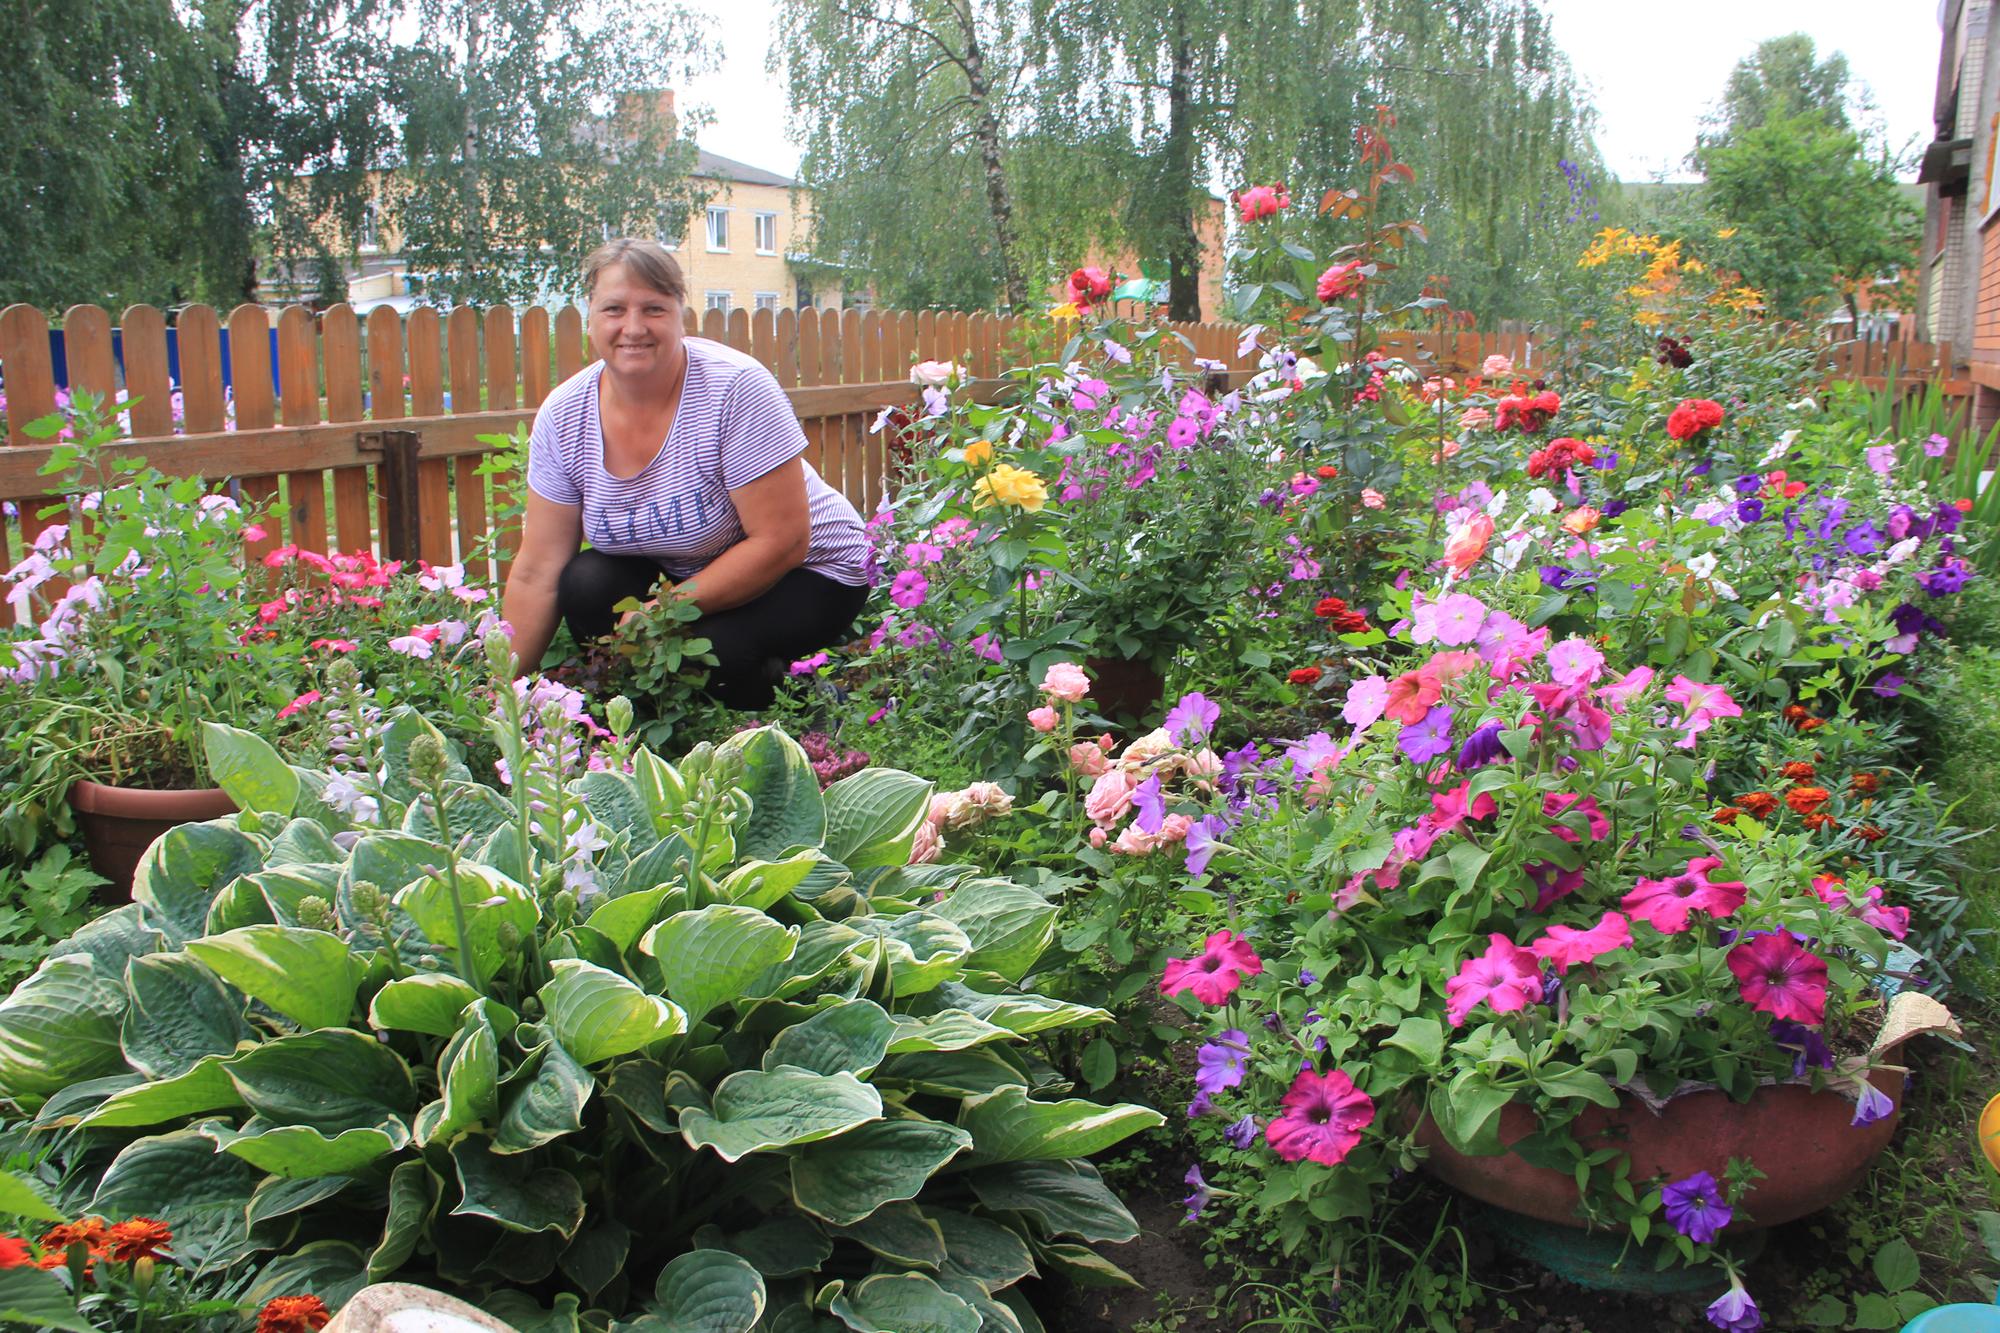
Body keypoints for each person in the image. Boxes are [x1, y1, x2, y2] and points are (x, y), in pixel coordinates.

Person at [501, 239, 871, 710]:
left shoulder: (734, 388)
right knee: (587, 582)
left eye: (653, 308)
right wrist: (503, 692)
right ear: (589, 316)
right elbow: (537, 572)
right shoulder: (565, 414)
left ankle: (812, 703)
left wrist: (663, 613)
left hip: (813, 568)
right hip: (691, 572)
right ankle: (647, 726)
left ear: (681, 313)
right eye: (614, 309)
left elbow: (781, 540)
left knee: (713, 651)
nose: (632, 328)